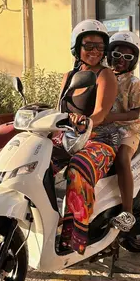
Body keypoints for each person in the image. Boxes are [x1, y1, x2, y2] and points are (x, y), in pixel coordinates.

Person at [52, 19, 120, 255]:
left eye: (100, 47)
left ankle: (77, 236)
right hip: (69, 137)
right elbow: (59, 108)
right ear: (77, 47)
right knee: (34, 159)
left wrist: (85, 120)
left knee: (78, 168)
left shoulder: (105, 75)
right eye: (88, 45)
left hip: (99, 140)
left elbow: (101, 112)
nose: (94, 51)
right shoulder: (69, 75)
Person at [104, 31, 140, 232]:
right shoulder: (102, 75)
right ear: (109, 53)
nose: (121, 60)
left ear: (134, 61)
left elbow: (135, 112)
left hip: (128, 128)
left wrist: (111, 118)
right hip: (103, 127)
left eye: (128, 57)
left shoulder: (133, 82)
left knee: (121, 159)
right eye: (117, 54)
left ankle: (127, 212)